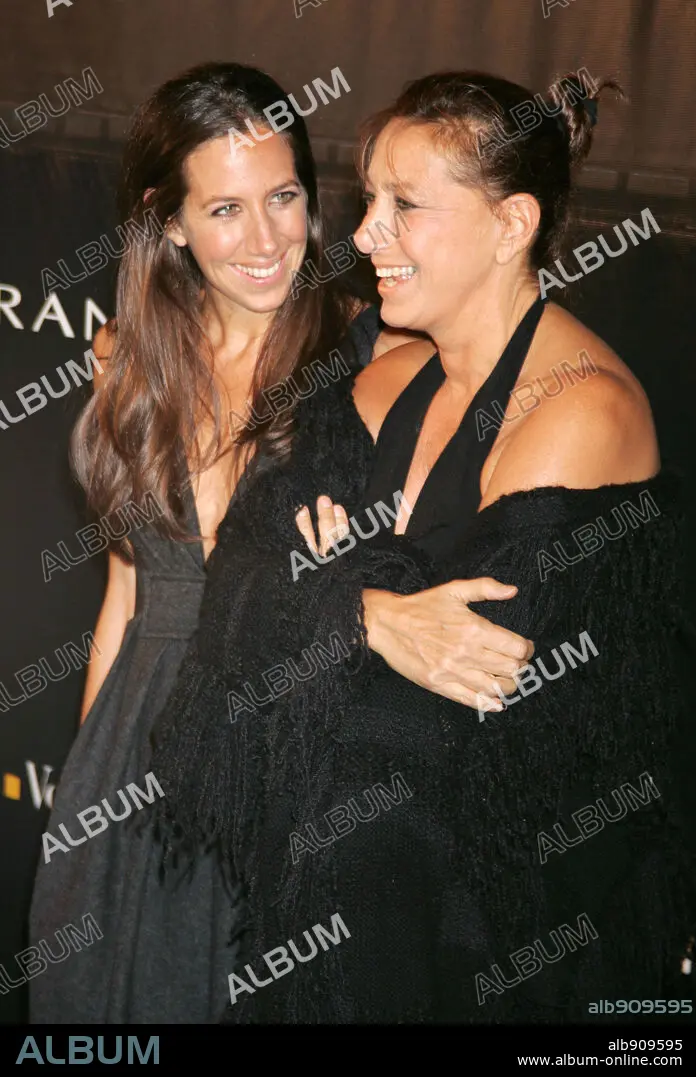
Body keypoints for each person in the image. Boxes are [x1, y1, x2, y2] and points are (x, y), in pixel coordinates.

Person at [150, 68, 696, 1024]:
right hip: (337, 923)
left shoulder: (582, 413)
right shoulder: (384, 372)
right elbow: (231, 582)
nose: (364, 235)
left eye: (404, 206)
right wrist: (367, 610)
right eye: (370, 201)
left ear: (510, 224)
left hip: (505, 955)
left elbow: (448, 724)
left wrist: (332, 583)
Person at [29, 62, 531, 1024]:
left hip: (271, 758)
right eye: (225, 209)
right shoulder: (123, 357)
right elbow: (124, 601)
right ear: (169, 221)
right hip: (125, 757)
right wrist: (85, 801)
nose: (266, 240)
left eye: (284, 196)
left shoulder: (374, 364)